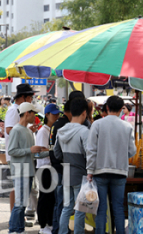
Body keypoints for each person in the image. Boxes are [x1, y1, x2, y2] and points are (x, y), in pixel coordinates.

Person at [86, 96, 136, 234]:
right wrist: (120, 155)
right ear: (121, 109)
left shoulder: (97, 124)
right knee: (118, 208)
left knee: (101, 208)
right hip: (120, 172)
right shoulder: (127, 126)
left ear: (107, 108)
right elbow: (132, 151)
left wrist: (90, 170)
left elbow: (91, 149)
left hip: (100, 171)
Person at [7, 101, 47, 234]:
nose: (34, 116)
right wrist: (30, 150)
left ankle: (18, 229)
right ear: (27, 113)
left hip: (28, 170)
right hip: (20, 171)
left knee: (22, 203)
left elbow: (30, 152)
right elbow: (12, 151)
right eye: (33, 113)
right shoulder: (17, 130)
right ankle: (14, 229)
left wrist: (45, 152)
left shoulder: (27, 131)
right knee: (19, 204)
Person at [55, 98, 89, 234]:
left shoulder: (61, 130)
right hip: (81, 173)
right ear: (84, 113)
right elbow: (89, 154)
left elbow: (57, 153)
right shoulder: (84, 131)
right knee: (81, 208)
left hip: (66, 173)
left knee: (67, 207)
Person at [5, 83, 36, 212]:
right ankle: (15, 216)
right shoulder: (14, 110)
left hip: (21, 153)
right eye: (30, 98)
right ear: (23, 97)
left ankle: (17, 216)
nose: (31, 100)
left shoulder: (19, 110)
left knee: (21, 188)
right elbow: (9, 130)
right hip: (16, 154)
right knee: (17, 188)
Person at [36, 104, 60, 234]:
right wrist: (54, 150)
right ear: (47, 115)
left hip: (52, 167)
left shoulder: (52, 130)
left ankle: (50, 223)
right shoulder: (43, 131)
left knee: (51, 198)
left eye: (57, 114)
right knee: (45, 197)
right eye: (54, 114)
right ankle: (42, 224)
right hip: (44, 167)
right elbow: (41, 149)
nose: (56, 116)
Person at [50, 100, 72, 234]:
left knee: (58, 201)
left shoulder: (55, 125)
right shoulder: (66, 125)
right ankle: (59, 229)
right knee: (62, 202)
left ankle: (56, 228)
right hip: (62, 167)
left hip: (54, 165)